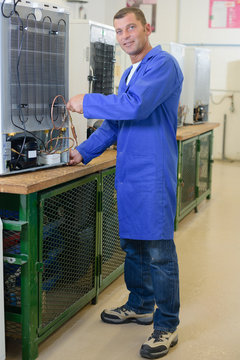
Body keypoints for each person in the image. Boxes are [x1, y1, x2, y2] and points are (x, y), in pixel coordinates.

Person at [67, 7, 183, 359]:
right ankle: (140, 304)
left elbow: (134, 107)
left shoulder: (163, 65)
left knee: (159, 252)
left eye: (130, 28)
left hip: (153, 172)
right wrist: (83, 152)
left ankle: (166, 324)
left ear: (147, 28)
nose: (124, 36)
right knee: (133, 246)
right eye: (119, 31)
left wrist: (85, 101)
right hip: (130, 174)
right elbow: (116, 125)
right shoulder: (130, 74)